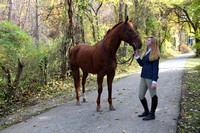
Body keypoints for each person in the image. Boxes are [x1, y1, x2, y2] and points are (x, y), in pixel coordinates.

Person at [133, 35, 160, 121]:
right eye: (147, 40)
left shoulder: (155, 54)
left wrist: (154, 81)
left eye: (148, 40)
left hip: (150, 78)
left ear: (152, 43)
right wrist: (137, 56)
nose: (146, 41)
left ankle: (152, 114)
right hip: (143, 77)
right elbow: (142, 64)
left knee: (153, 95)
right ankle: (146, 111)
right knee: (140, 95)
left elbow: (156, 69)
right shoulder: (147, 52)